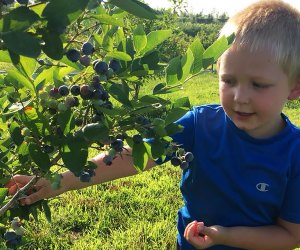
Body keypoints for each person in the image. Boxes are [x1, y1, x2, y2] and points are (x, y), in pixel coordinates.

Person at [6, 0, 300, 249]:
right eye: (228, 81)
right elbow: (133, 158)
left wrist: (226, 236)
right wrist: (57, 183)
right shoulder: (200, 125)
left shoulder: (295, 153)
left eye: (258, 85)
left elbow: (289, 235)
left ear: (294, 88)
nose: (240, 97)